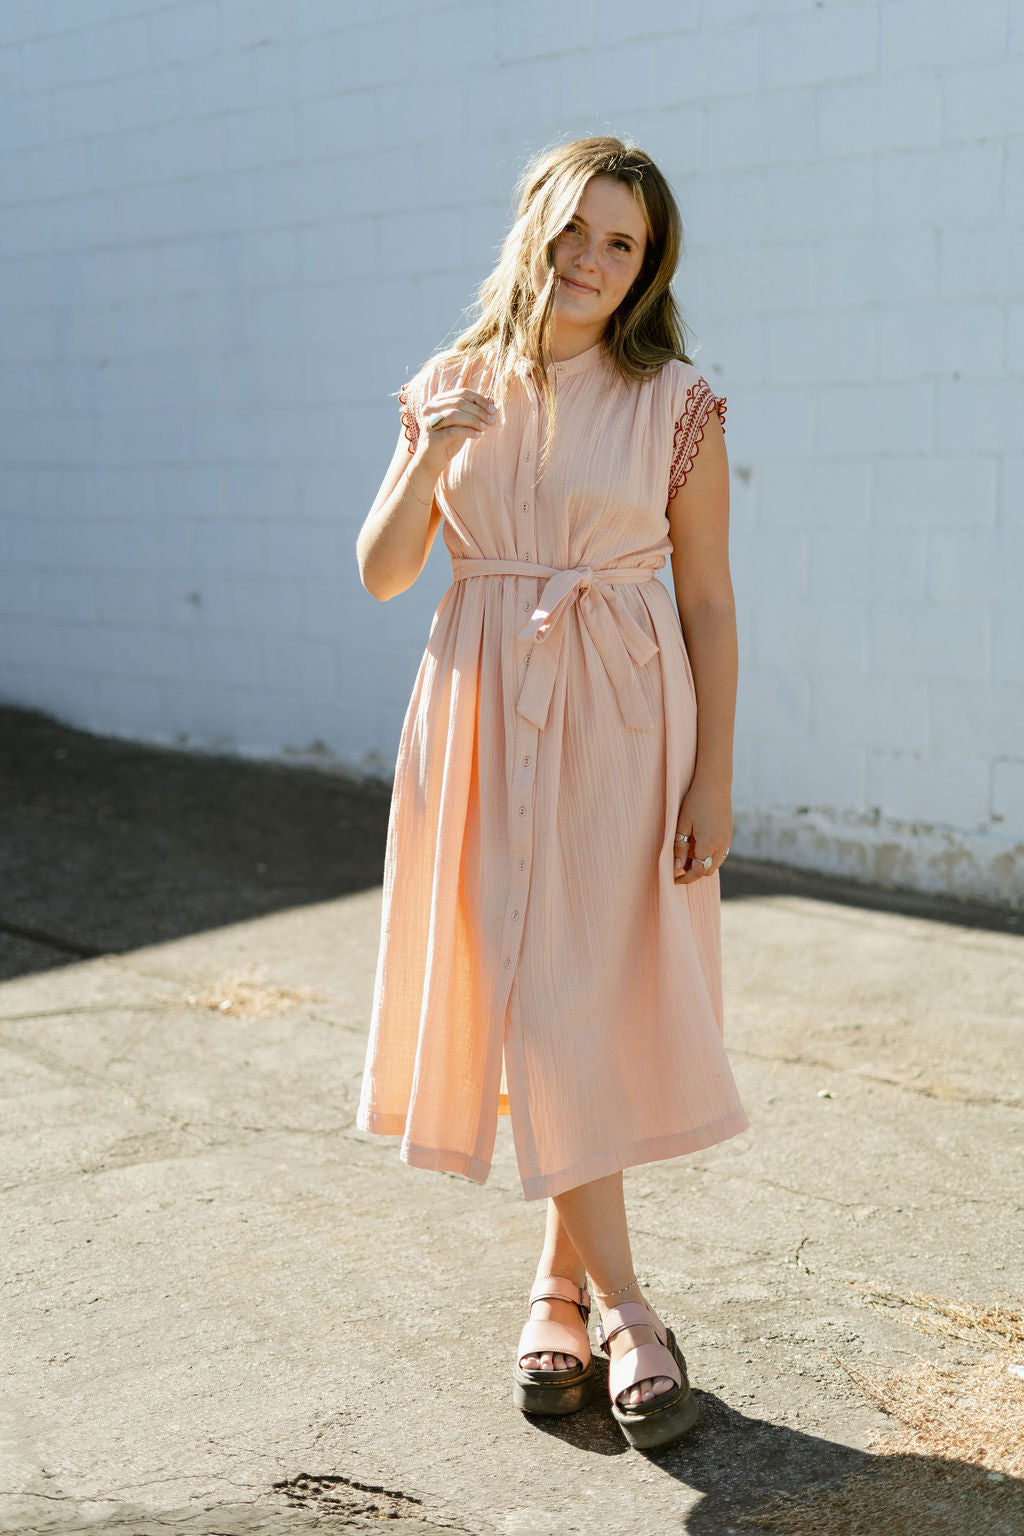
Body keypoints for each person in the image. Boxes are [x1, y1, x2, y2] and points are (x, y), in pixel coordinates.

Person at [354, 136, 748, 1451]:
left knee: (577, 1001)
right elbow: (382, 571)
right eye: (575, 227)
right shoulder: (449, 381)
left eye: (620, 242)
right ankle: (594, 1296)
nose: (590, 257)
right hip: (475, 718)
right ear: (534, 226)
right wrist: (428, 452)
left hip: (623, 724)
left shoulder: (676, 401)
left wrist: (717, 778)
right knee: (525, 998)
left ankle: (585, 1296)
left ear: (646, 268)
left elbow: (706, 602)